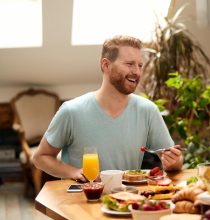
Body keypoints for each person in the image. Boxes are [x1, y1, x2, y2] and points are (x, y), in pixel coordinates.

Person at [32, 35, 183, 182]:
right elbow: (40, 157)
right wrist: (73, 172)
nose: (137, 72)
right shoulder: (71, 111)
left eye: (140, 65)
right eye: (129, 64)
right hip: (80, 201)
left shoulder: (148, 111)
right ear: (106, 65)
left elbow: (173, 160)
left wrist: (174, 162)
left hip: (126, 201)